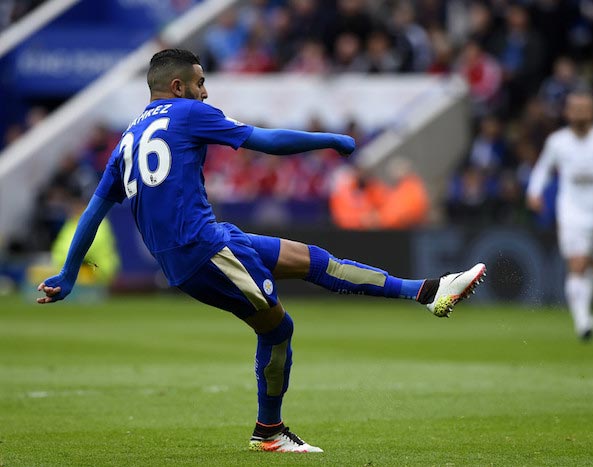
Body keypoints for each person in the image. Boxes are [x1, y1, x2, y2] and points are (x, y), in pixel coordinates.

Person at [36, 49, 486, 453]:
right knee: (277, 329)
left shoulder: (126, 141)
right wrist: (326, 140)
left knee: (312, 259)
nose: (205, 91)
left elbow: (93, 211)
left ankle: (428, 291)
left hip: (207, 241)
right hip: (203, 252)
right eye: (200, 82)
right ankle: (269, 431)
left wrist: (69, 273)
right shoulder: (188, 115)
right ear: (178, 87)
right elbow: (264, 141)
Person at [527, 91, 593, 342]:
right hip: (572, 211)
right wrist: (534, 192)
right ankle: (583, 322)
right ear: (567, 112)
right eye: (574, 108)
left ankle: (592, 296)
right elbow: (543, 168)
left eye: (584, 108)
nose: (579, 113)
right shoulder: (558, 141)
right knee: (577, 264)